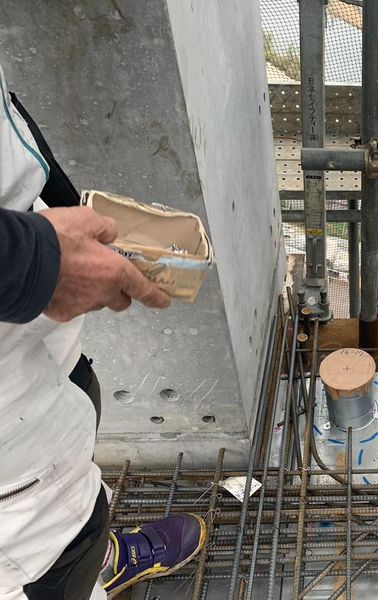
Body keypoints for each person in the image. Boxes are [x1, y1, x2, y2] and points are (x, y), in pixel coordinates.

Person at [1, 63, 207, 599]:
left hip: (26, 272)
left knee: (78, 403)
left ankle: (99, 557)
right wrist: (30, 260)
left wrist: (56, 206)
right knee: (45, 547)